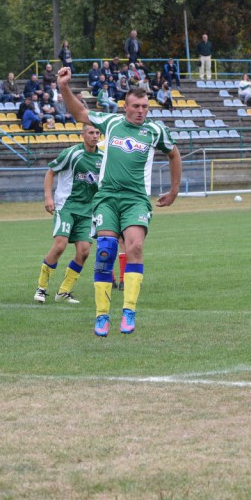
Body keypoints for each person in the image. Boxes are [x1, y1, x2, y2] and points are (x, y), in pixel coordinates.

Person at [58, 68, 182, 337]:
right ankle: (102, 316)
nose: (141, 111)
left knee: (135, 246)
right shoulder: (111, 123)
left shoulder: (155, 130)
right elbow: (80, 114)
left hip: (136, 199)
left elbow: (174, 155)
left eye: (145, 107)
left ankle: (128, 310)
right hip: (106, 198)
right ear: (125, 107)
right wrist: (64, 87)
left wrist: (173, 191)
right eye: (136, 106)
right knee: (105, 251)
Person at [34, 125, 104, 304]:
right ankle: (41, 288)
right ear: (82, 135)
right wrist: (48, 197)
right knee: (59, 246)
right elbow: (51, 172)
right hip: (67, 206)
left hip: (88, 211)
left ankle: (64, 291)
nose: (95, 136)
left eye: (97, 133)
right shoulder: (71, 154)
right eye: (91, 133)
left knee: (84, 251)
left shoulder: (103, 158)